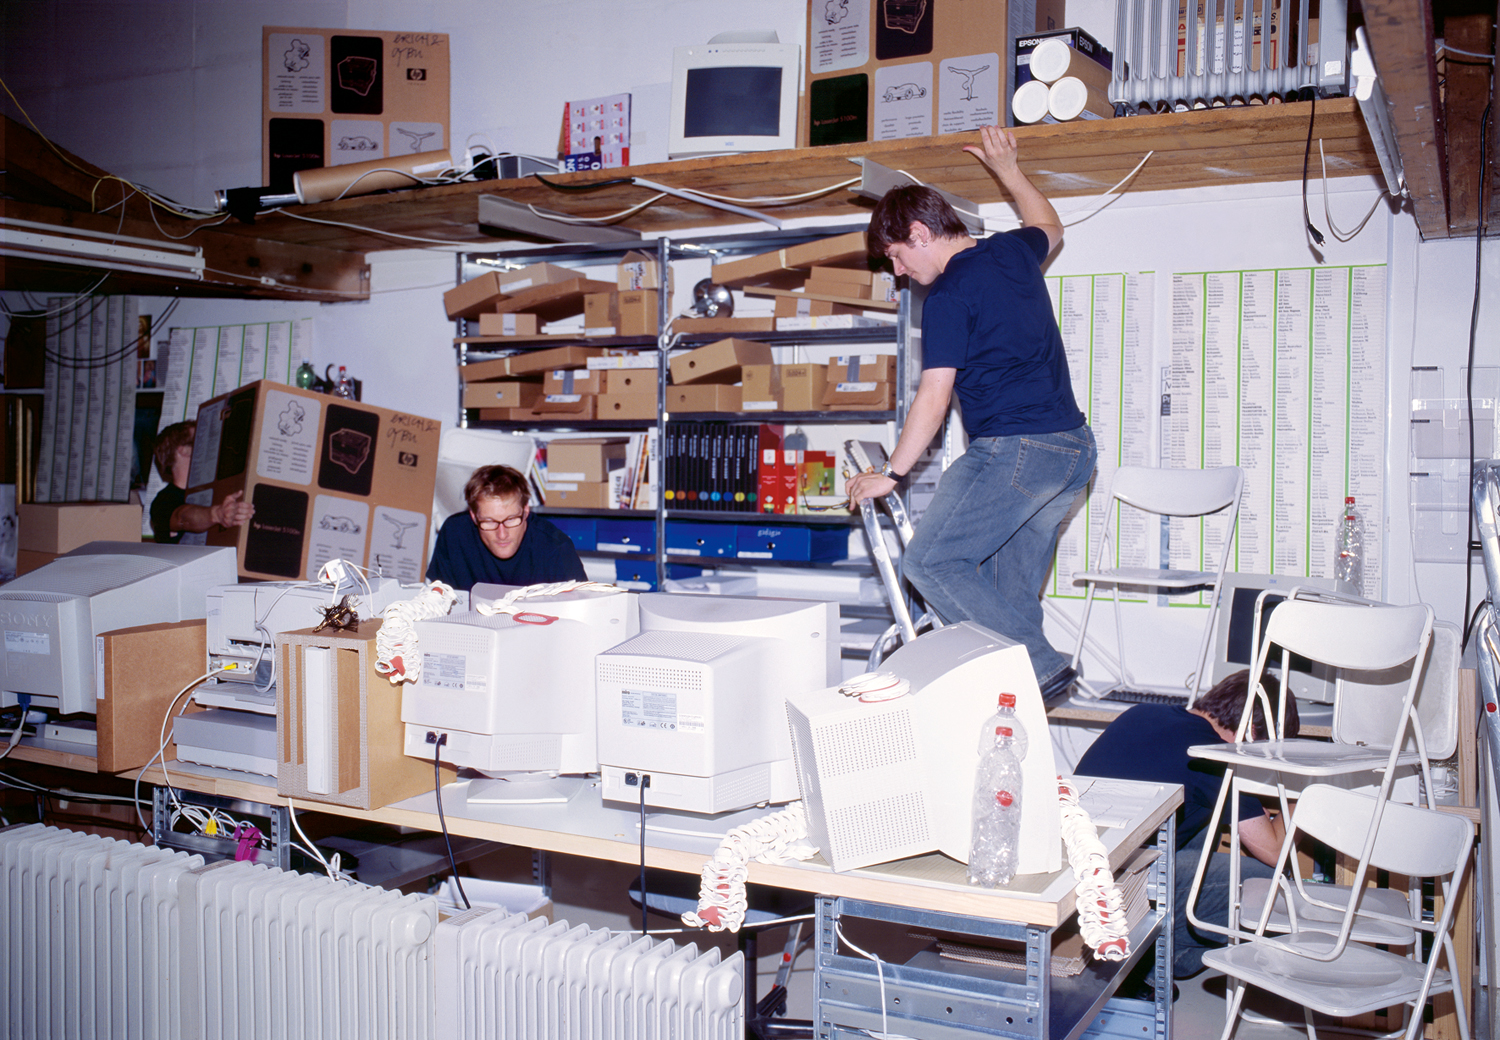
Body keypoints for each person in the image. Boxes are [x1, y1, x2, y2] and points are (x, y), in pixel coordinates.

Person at [846, 125, 1096, 702]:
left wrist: (895, 473)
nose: (899, 273)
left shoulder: (949, 295)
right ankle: (1022, 695)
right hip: (1071, 454)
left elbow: (934, 396)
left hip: (1016, 451)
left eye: (897, 257)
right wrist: (1010, 172)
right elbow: (1051, 228)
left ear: (919, 233)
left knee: (930, 562)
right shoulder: (1009, 252)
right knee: (1008, 598)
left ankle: (1039, 666)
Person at [1074, 669, 1299, 978]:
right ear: (1254, 730)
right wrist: (1306, 794)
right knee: (1278, 886)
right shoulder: (1212, 755)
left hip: (1079, 874)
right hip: (1122, 892)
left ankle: (1156, 957)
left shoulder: (1142, 713)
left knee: (1210, 815)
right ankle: (1152, 959)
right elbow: (1274, 852)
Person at [426, 463, 587, 591]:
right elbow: (439, 601)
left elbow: (582, 614)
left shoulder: (556, 548)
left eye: (511, 520)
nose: (502, 534)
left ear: (525, 511)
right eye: (489, 522)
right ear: (474, 517)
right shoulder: (454, 534)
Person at [150, 420, 253, 544]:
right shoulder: (163, 501)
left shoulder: (219, 491)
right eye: (202, 441)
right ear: (183, 450)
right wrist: (216, 514)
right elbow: (181, 517)